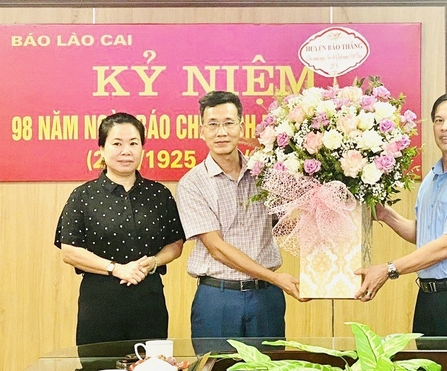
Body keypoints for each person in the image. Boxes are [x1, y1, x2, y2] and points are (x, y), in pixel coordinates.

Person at [354, 93, 447, 336]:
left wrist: (389, 269)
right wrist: (386, 215)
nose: (445, 128)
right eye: (438, 121)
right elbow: (423, 234)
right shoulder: (432, 177)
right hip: (428, 298)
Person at [176, 91, 300, 340]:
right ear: (202, 131)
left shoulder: (265, 173)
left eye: (228, 123)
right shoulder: (192, 184)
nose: (221, 132)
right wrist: (276, 277)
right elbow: (217, 249)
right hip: (218, 299)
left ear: (241, 127)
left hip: (266, 298)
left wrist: (320, 206)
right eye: (213, 125)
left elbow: (283, 226)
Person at [55, 113, 185, 345]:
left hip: (149, 299)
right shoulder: (83, 196)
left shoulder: (159, 194)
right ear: (102, 150)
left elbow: (175, 243)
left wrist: (153, 262)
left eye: (133, 143)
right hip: (99, 302)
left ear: (142, 149)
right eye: (117, 143)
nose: (126, 151)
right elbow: (69, 251)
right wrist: (116, 269)